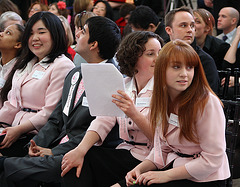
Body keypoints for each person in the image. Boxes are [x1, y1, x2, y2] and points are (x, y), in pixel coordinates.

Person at [0, 16, 121, 187]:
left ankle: (5, 164)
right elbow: (56, 119)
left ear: (93, 44)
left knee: (11, 171)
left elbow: (94, 132)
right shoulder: (75, 73)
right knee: (16, 170)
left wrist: (52, 152)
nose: (76, 33)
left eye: (83, 31)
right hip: (56, 144)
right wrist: (36, 146)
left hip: (85, 151)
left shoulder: (111, 78)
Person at [120, 39, 230, 187]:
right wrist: (139, 169)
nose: (184, 74)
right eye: (176, 67)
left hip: (206, 178)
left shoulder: (206, 102)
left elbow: (213, 159)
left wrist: (165, 175)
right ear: (161, 70)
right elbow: (163, 147)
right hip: (176, 168)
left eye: (190, 67)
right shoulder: (161, 97)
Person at [61, 31, 164, 187]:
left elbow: (163, 141)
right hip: (125, 152)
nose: (158, 59)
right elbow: (103, 119)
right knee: (79, 161)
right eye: (151, 54)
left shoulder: (165, 89)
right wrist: (80, 150)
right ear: (133, 58)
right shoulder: (125, 84)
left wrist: (134, 114)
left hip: (152, 160)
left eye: (160, 53)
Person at [0, 12, 75, 157]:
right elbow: (12, 104)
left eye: (41, 32)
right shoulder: (26, 63)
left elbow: (50, 112)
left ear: (55, 34)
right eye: (31, 33)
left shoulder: (62, 65)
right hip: (14, 129)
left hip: (38, 136)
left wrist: (19, 130)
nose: (35, 38)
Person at [165, 6, 219, 93]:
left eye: (192, 26)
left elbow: (209, 95)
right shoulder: (160, 54)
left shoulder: (204, 60)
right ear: (169, 30)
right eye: (183, 25)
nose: (190, 30)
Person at [0, 24, 24, 108]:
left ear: (18, 45)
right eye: (3, 31)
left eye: (8, 33)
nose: (1, 34)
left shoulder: (21, 71)